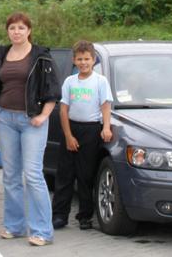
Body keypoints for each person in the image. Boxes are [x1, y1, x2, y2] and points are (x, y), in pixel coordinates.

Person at [0, 12, 61, 247]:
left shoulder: (41, 56)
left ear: (29, 31)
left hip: (32, 121)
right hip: (6, 119)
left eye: (21, 28)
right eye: (12, 28)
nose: (16, 32)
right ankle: (14, 226)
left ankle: (42, 231)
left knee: (33, 174)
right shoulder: (2, 54)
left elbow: (52, 90)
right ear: (7, 31)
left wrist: (43, 116)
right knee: (10, 175)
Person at [51, 40, 113, 230]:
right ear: (74, 60)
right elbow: (63, 110)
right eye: (79, 59)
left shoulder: (100, 81)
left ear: (93, 60)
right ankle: (59, 215)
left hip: (91, 130)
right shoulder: (70, 82)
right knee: (65, 175)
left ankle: (85, 216)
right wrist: (68, 136)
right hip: (71, 128)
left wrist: (106, 127)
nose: (83, 63)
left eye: (87, 59)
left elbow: (105, 106)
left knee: (86, 175)